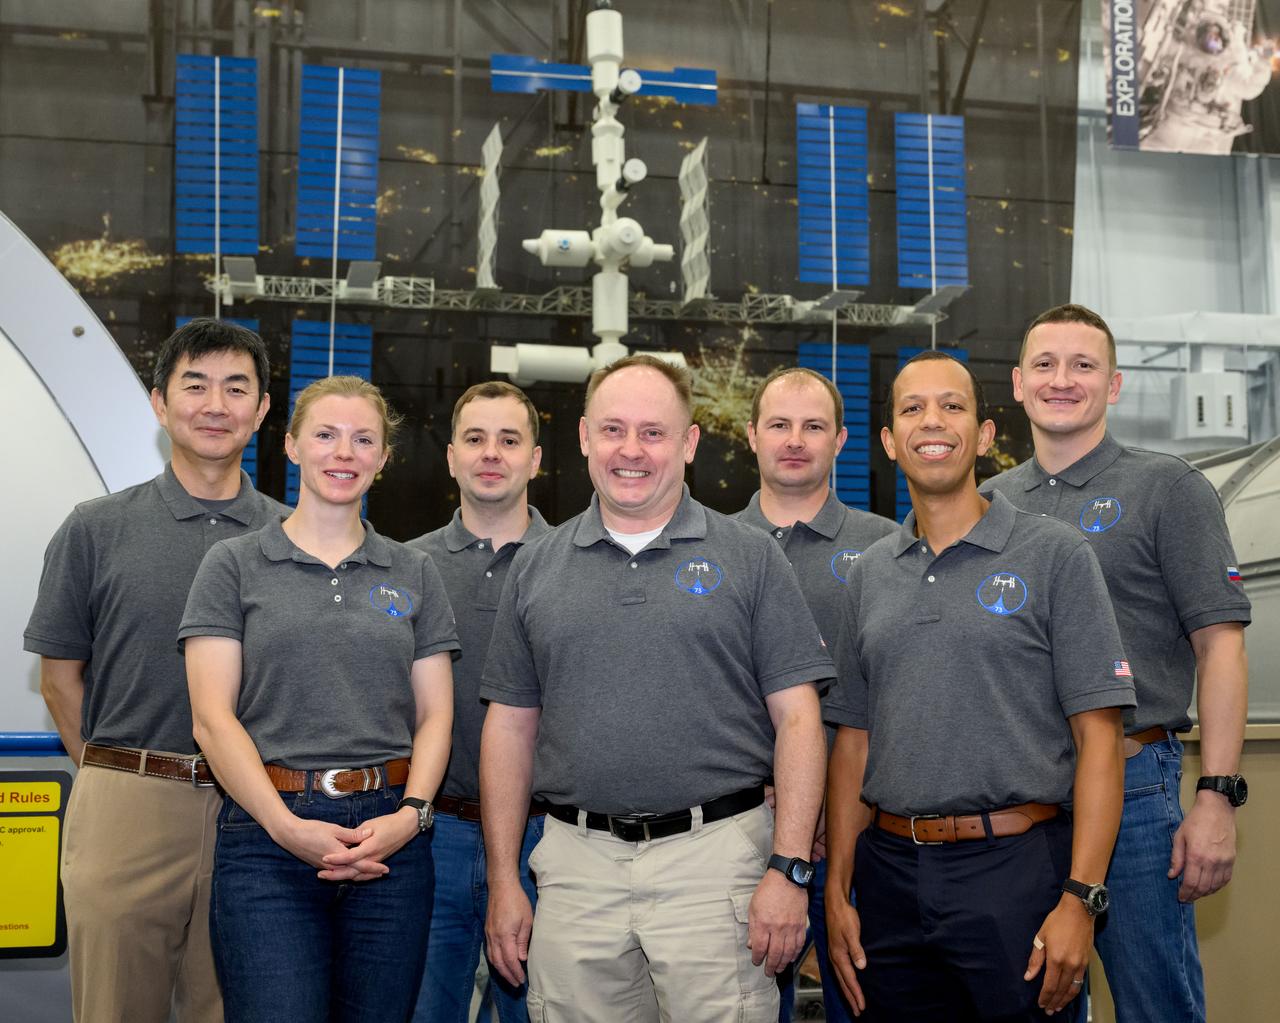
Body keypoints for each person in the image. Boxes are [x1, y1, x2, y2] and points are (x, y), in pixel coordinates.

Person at [479, 354, 831, 1022]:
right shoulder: (536, 565)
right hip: (576, 870)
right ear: (584, 437)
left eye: (653, 432)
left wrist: (789, 869)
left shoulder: (751, 557)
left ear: (689, 443)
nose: (631, 450)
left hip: (716, 866)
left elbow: (799, 720)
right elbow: (509, 727)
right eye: (613, 430)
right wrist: (503, 879)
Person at [825, 351, 1135, 1021]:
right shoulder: (870, 573)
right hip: (888, 876)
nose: (932, 421)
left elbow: (1100, 738)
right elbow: (853, 740)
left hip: (1016, 871)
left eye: (952, 405)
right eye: (912, 408)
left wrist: (1081, 899)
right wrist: (838, 888)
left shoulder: (1055, 554)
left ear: (986, 434)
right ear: (889, 442)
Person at [982, 304, 1251, 1022]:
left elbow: (1221, 645)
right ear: (1018, 383)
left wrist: (1217, 796)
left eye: (1083, 365)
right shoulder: (990, 504)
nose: (1062, 380)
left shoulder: (1169, 488)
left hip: (1136, 790)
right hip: (1026, 801)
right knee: (1036, 1001)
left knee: (1153, 1004)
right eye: (1044, 364)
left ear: (1115, 384)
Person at [23, 319, 284, 1023]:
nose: (215, 405)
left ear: (262, 410)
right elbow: (59, 679)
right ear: (160, 404)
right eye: (195, 385)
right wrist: (115, 777)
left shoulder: (293, 539)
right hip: (126, 808)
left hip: (255, 818)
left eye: (237, 388)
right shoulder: (95, 528)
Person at [179, 376, 459, 1022]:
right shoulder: (233, 564)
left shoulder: (414, 571)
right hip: (266, 838)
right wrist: (285, 826)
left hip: (390, 839)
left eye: (364, 439)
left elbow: (436, 714)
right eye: (326, 434)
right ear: (292, 445)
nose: (344, 453)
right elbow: (212, 718)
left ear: (383, 457)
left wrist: (411, 815)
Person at [736, 366, 896, 1023]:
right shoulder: (711, 547)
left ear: (841, 440)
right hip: (740, 827)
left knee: (864, 1004)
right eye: (779, 424)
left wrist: (838, 804)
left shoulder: (889, 546)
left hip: (861, 831)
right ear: (751, 435)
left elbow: (899, 692)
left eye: (813, 426)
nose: (795, 440)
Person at [408, 381, 551, 1022]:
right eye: (475, 438)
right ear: (451, 457)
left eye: (509, 440)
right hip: (428, 836)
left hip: (546, 843)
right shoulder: (403, 569)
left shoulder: (575, 564)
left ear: (535, 460)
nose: (491, 453)